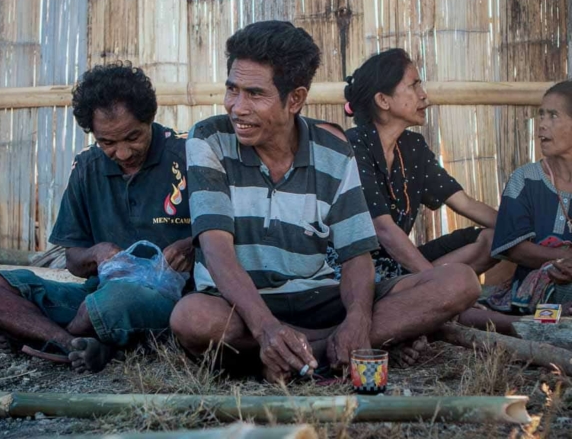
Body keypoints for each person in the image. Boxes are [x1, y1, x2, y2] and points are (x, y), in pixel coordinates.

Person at [170, 21, 481, 383]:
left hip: (316, 298)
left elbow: (356, 254)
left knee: (460, 282)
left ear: (295, 99)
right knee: (192, 318)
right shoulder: (208, 139)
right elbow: (215, 248)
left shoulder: (333, 151)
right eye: (232, 90)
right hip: (240, 306)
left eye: (255, 94)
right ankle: (313, 350)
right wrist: (266, 327)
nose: (237, 107)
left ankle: (302, 355)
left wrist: (358, 320)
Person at [0, 63, 193, 373]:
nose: (123, 153)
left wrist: (192, 244)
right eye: (108, 143)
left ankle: (45, 338)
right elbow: (73, 260)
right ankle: (71, 344)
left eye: (133, 137)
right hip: (96, 294)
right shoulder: (88, 167)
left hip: (171, 298)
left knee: (109, 303)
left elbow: (231, 232)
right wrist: (95, 253)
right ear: (93, 134)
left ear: (149, 118)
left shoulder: (187, 155)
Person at [341, 48, 498, 283]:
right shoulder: (352, 146)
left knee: (494, 240)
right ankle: (430, 294)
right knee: (441, 286)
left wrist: (528, 232)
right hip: (356, 275)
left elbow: (464, 203)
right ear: (383, 100)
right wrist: (433, 283)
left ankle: (427, 290)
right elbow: (383, 229)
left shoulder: (413, 146)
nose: (424, 96)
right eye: (413, 86)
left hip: (401, 266)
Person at [484, 81, 572, 314]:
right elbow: (516, 249)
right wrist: (562, 258)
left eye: (553, 115)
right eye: (541, 115)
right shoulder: (524, 179)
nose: (541, 125)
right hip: (537, 287)